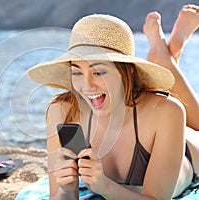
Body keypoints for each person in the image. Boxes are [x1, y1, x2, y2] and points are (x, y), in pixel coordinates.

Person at [27, 4, 199, 199]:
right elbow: (61, 196)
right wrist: (65, 189)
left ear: (127, 71)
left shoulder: (165, 111)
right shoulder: (64, 114)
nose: (87, 85)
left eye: (98, 71)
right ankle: (165, 57)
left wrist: (105, 187)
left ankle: (168, 57)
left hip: (187, 151)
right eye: (76, 72)